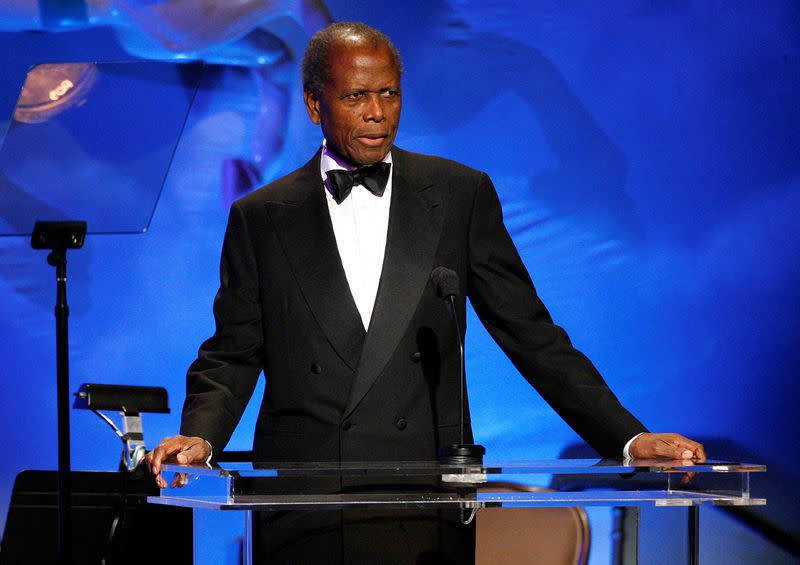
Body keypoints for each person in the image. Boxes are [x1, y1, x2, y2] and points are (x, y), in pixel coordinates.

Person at [145, 21, 706, 562]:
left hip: (424, 496)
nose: (377, 113)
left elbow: (532, 336)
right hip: (304, 500)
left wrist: (628, 439)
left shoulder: (459, 194)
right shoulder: (262, 216)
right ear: (315, 104)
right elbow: (234, 350)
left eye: (389, 94)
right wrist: (200, 439)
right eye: (357, 96)